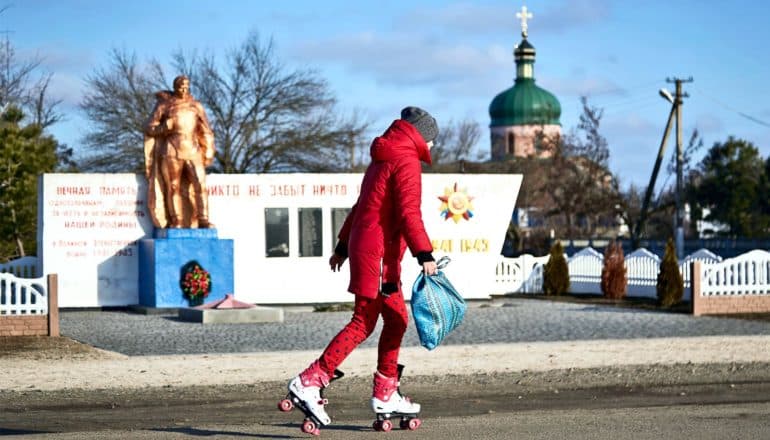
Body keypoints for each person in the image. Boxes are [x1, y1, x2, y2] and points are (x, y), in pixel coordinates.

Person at [284, 106, 439, 433]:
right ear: (422, 137)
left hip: (366, 246)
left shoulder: (383, 156)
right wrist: (424, 253)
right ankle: (312, 380)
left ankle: (385, 392)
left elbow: (361, 207)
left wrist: (343, 246)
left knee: (394, 319)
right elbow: (411, 213)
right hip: (380, 253)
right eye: (432, 141)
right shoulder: (406, 160)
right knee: (367, 321)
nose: (432, 147)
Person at [144, 75, 215, 229]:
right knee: (173, 187)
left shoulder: (196, 106)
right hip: (171, 150)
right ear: (175, 87)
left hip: (193, 150)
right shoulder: (164, 106)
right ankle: (176, 220)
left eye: (186, 85)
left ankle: (203, 219)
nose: (184, 88)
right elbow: (149, 128)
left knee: (200, 184)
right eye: (180, 86)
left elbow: (206, 130)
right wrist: (163, 128)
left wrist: (209, 150)